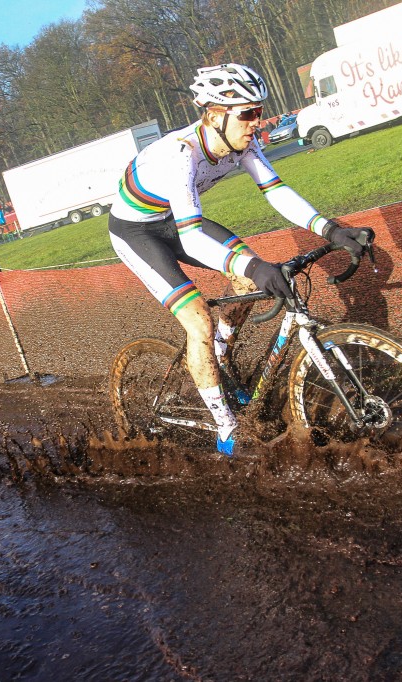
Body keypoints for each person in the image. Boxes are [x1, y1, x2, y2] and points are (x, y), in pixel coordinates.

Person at [107, 63, 373, 456]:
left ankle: (217, 356)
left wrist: (331, 230)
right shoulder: (180, 154)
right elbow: (192, 236)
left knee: (246, 282)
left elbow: (275, 189)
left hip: (177, 222)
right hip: (137, 233)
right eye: (247, 113)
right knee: (198, 317)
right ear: (215, 115)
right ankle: (226, 426)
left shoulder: (242, 143)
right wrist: (254, 265)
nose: (256, 122)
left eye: (259, 111)